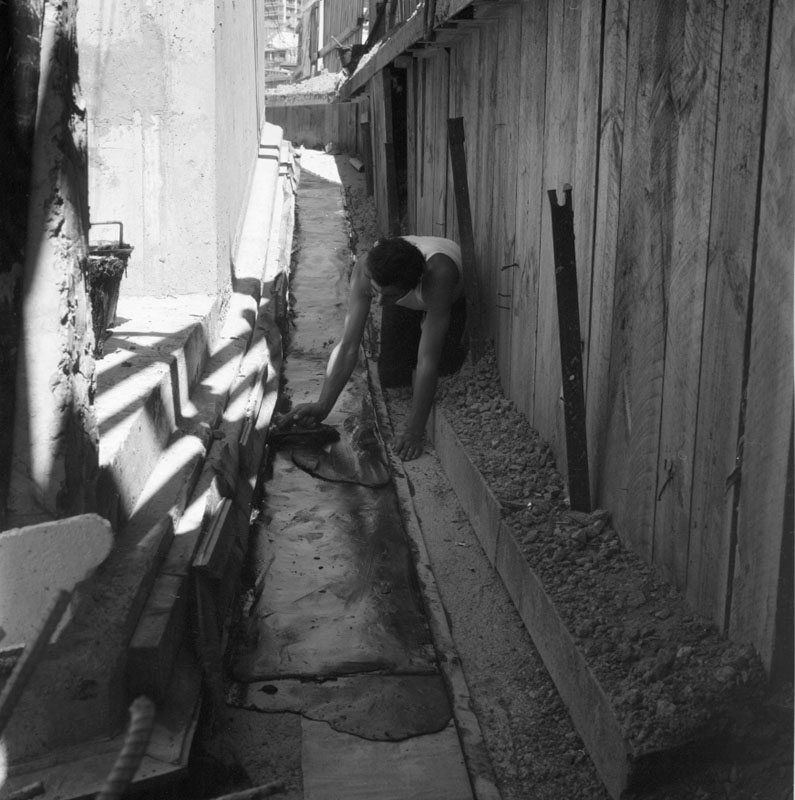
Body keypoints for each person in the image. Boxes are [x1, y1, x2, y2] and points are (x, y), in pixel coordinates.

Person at [280, 235, 468, 461]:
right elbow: (349, 345)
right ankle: (401, 307)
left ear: (412, 284)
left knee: (445, 366)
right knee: (392, 376)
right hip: (406, 296)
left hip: (449, 297)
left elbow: (427, 360)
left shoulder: (440, 275)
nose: (378, 303)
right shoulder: (367, 269)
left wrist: (414, 431)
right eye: (375, 292)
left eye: (387, 295)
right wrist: (323, 405)